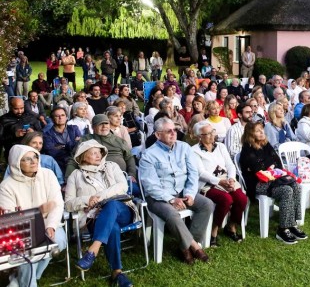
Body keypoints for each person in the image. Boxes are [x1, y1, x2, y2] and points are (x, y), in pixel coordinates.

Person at [139, 117, 214, 264]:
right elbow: (151, 186)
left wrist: (190, 193)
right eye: (168, 131)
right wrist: (171, 199)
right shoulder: (148, 155)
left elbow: (193, 174)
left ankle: (183, 246)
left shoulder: (184, 147)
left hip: (182, 191)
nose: (173, 133)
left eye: (175, 130)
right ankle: (193, 247)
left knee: (207, 204)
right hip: (158, 197)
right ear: (158, 134)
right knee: (173, 215)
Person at [65, 141, 138, 287]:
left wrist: (99, 197)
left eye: (99, 151)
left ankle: (93, 249)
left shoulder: (112, 166)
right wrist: (87, 200)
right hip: (95, 217)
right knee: (113, 227)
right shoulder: (75, 175)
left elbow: (122, 186)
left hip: (122, 210)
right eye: (93, 153)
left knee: (111, 204)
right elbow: (68, 203)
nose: (98, 155)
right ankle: (117, 272)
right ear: (84, 157)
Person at [0, 145, 67, 287]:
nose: (34, 161)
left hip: (48, 222)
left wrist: (51, 226)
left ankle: (25, 277)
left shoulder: (48, 174)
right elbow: (11, 218)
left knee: (59, 241)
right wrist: (38, 212)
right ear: (17, 162)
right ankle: (29, 282)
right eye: (27, 159)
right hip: (23, 231)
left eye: (35, 157)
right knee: (29, 253)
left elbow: (57, 204)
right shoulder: (6, 186)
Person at [239, 122, 308, 244]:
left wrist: (267, 165)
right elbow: (256, 168)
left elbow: (277, 162)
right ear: (250, 134)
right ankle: (282, 229)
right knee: (287, 190)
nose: (262, 133)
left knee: (296, 186)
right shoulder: (247, 149)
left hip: (273, 179)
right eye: (257, 131)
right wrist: (268, 164)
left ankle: (292, 225)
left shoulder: (265, 145)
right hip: (257, 184)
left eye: (262, 130)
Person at [192, 122, 248, 246]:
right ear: (199, 136)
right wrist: (219, 182)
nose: (212, 135)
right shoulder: (194, 151)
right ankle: (214, 229)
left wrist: (232, 179)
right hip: (207, 183)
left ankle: (231, 225)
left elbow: (230, 165)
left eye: (213, 131)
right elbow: (201, 173)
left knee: (241, 198)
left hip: (226, 179)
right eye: (208, 134)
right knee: (225, 199)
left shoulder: (220, 147)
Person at [65, 114, 136, 180]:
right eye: (100, 124)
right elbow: (73, 160)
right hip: (93, 178)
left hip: (120, 177)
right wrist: (69, 179)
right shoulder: (85, 140)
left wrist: (132, 174)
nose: (104, 126)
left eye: (106, 123)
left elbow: (129, 158)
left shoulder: (119, 141)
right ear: (93, 127)